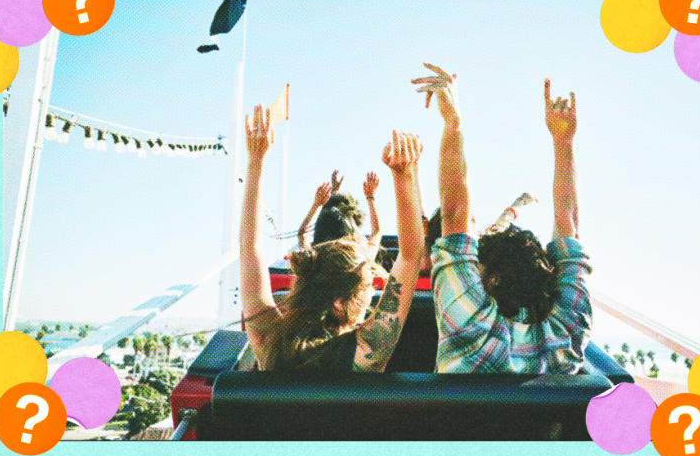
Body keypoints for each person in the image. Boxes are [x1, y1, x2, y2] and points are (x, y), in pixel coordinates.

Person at [415, 64, 592, 374]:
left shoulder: (467, 321)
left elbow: (454, 212)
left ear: (494, 278)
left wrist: (453, 121)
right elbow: (569, 224)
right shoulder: (568, 329)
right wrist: (564, 142)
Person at [240, 104, 425, 371]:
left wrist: (256, 159)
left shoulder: (268, 339)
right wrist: (404, 174)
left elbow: (249, 247)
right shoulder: (364, 351)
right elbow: (410, 257)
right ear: (340, 303)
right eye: (367, 288)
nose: (372, 292)